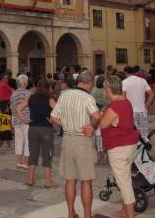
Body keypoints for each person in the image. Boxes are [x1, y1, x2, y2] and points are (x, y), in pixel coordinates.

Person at [49, 70, 101, 218]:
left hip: (67, 139)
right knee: (86, 181)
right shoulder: (87, 97)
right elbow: (96, 116)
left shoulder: (64, 96)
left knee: (69, 180)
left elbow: (53, 117)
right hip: (82, 140)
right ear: (89, 83)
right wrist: (91, 126)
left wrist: (66, 124)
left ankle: (71, 213)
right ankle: (87, 215)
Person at [100, 76, 140, 218]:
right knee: (125, 178)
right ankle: (124, 211)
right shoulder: (126, 101)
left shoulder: (114, 106)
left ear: (109, 89)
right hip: (130, 144)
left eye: (106, 89)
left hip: (119, 147)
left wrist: (101, 115)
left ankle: (130, 214)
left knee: (124, 184)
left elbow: (103, 124)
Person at [17, 79, 56, 187]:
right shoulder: (49, 99)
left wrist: (24, 120)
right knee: (46, 154)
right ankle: (48, 181)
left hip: (33, 128)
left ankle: (30, 180)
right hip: (46, 130)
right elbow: (60, 110)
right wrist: (53, 120)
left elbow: (18, 108)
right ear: (48, 88)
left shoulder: (31, 97)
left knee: (33, 154)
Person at [122, 66, 154, 139]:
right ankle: (145, 149)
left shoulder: (124, 82)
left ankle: (137, 149)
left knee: (133, 134)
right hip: (142, 111)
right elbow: (151, 94)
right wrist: (146, 106)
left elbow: (123, 98)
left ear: (126, 73)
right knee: (144, 134)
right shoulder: (142, 80)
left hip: (130, 112)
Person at [11, 74, 31, 169]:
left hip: (16, 119)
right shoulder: (27, 93)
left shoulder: (13, 93)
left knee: (18, 140)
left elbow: (12, 107)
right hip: (26, 119)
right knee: (27, 141)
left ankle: (19, 161)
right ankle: (25, 162)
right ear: (25, 83)